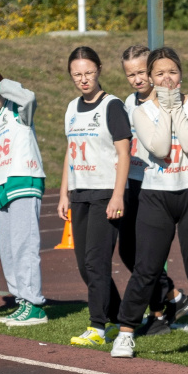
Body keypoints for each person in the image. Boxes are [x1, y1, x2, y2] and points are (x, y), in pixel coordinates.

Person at [70, 46, 184, 348]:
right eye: (130, 74)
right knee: (130, 253)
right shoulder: (130, 102)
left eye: (141, 72)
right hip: (132, 183)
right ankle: (167, 301)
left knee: (143, 253)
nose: (136, 79)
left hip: (157, 185)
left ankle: (164, 306)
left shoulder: (166, 100)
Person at [115, 47, 188, 362]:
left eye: (172, 72)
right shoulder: (139, 110)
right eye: (159, 73)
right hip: (155, 194)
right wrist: (165, 107)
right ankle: (126, 332)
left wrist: (175, 106)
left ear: (181, 74)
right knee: (146, 267)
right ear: (150, 77)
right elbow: (159, 146)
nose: (167, 78)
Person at [60, 47, 133, 345]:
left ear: (99, 69)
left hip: (105, 192)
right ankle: (116, 316)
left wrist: (118, 195)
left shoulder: (112, 106)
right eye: (77, 74)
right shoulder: (71, 108)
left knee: (96, 261)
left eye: (88, 72)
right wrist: (64, 192)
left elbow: (124, 151)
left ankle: (97, 327)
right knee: (83, 264)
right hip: (79, 192)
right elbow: (69, 151)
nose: (83, 79)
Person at [0, 71, 47, 325]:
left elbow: (29, 97)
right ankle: (22, 301)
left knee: (24, 246)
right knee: (7, 250)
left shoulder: (18, 110)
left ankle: (35, 305)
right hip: (2, 191)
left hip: (24, 182)